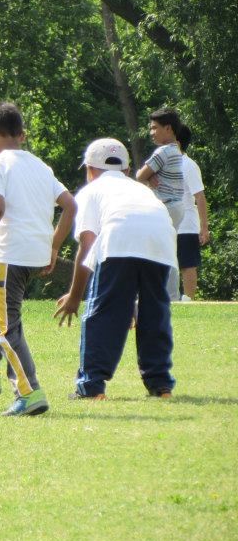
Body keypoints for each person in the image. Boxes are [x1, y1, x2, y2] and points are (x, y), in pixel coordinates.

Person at [0, 101, 76, 417]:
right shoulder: (40, 166)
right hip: (35, 254)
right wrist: (53, 247)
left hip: (11, 254)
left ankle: (29, 392)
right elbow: (70, 206)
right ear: (20, 134)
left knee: (7, 327)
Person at [54, 139, 176, 400]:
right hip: (162, 238)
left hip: (120, 237)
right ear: (127, 170)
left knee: (101, 313)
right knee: (154, 312)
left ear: (90, 170)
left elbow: (87, 245)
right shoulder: (140, 189)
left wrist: (75, 296)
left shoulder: (91, 191)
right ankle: (160, 385)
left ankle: (91, 386)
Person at [136, 108, 184, 300]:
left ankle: (169, 295)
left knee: (159, 250)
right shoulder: (175, 150)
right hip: (176, 205)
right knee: (168, 250)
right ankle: (170, 294)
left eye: (155, 128)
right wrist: (151, 177)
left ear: (168, 128)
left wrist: (148, 177)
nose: (151, 132)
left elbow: (139, 175)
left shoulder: (163, 151)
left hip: (166, 206)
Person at [175, 125, 210, 301]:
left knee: (187, 264)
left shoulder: (188, 165)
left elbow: (200, 197)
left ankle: (188, 301)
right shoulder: (162, 164)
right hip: (166, 224)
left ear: (177, 141)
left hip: (186, 225)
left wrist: (204, 227)